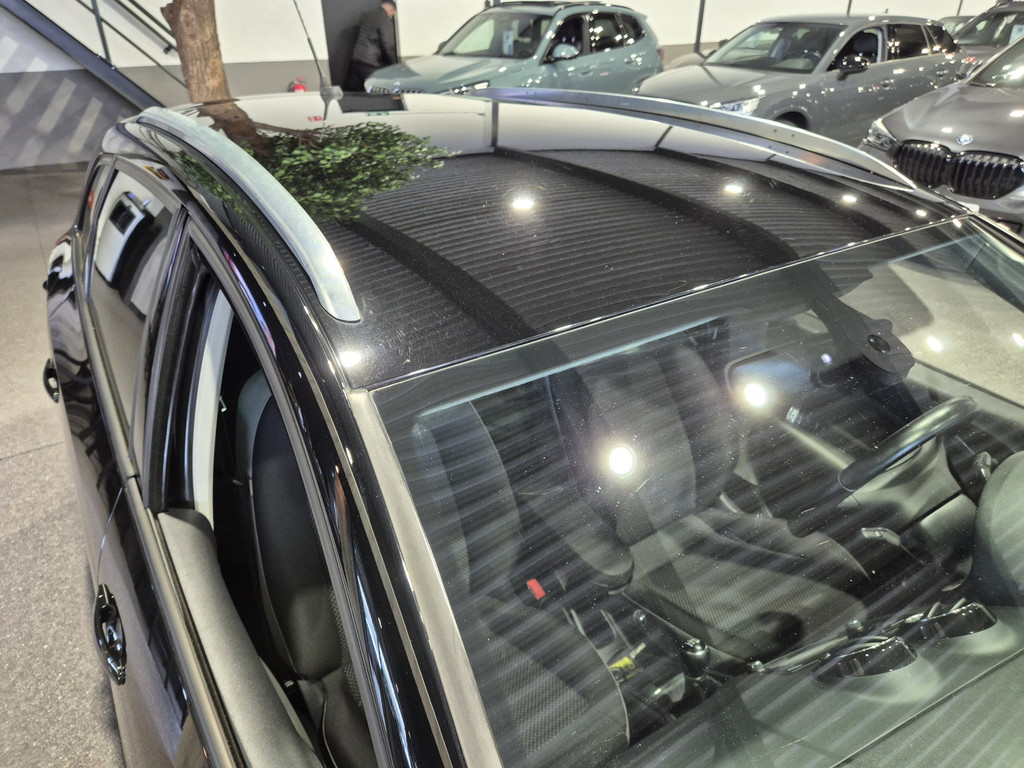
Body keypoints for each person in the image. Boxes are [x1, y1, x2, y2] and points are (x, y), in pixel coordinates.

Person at [352, 1, 398, 89]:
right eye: (392, 15)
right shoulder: (384, 20)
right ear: (391, 10)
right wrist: (394, 64)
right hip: (370, 61)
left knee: (360, 92)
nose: (391, 17)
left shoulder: (368, 15)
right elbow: (388, 46)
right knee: (379, 91)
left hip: (357, 58)